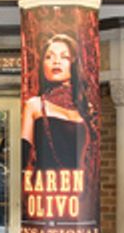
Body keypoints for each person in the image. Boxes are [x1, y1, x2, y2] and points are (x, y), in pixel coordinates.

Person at [22, 34, 91, 171]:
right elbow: (23, 157)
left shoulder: (86, 108)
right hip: (44, 186)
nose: (56, 61)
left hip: (80, 187)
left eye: (64, 57)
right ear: (43, 66)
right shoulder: (34, 105)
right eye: (49, 57)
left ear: (74, 63)